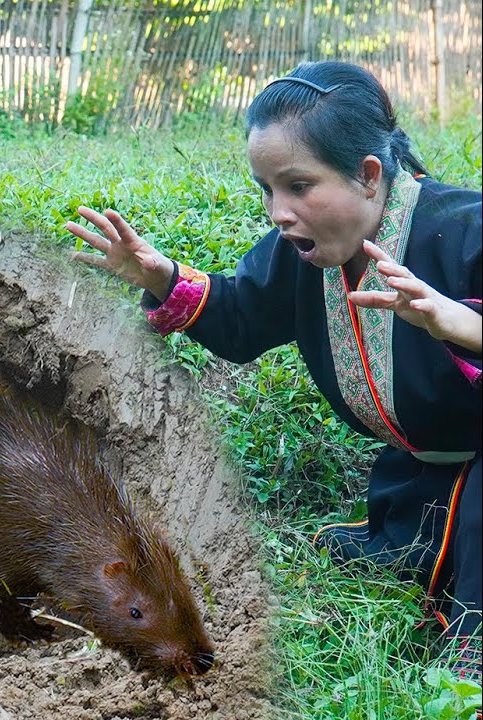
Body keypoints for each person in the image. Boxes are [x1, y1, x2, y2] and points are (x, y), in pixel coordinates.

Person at [66, 60, 481, 685]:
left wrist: (460, 323)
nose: (278, 212)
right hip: (422, 474)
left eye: (298, 186)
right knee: (390, 561)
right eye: (266, 189)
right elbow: (238, 316)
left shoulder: (467, 230)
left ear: (369, 176)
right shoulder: (301, 256)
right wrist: (160, 278)